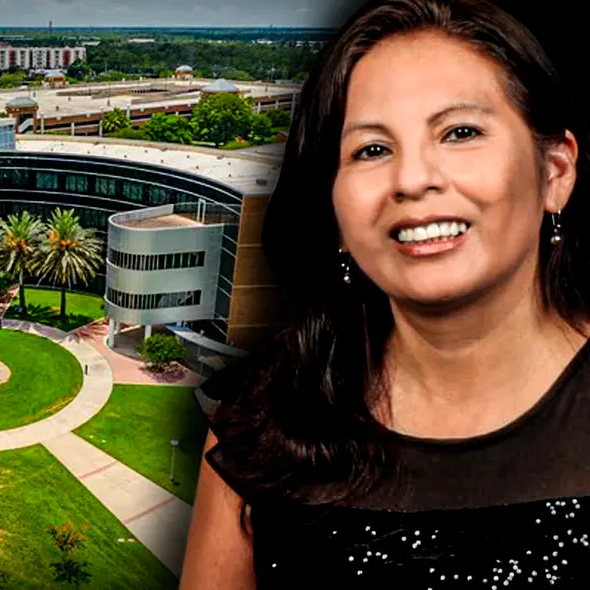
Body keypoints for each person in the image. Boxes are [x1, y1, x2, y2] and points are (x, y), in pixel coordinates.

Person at [181, 0, 590, 587]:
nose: (412, 179)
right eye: (372, 149)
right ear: (337, 210)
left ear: (555, 172)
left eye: (460, 132)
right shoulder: (261, 426)